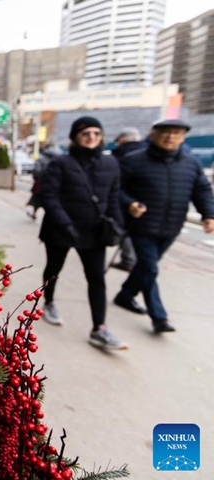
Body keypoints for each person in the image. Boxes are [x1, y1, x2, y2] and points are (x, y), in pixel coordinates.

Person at [113, 119, 214, 333]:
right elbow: (115, 189)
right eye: (165, 132)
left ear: (183, 138)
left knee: (145, 268)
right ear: (153, 134)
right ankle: (159, 317)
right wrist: (129, 203)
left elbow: (202, 190)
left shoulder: (191, 163)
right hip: (141, 225)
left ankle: (125, 295)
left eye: (176, 133)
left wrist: (208, 215)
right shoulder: (133, 160)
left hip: (171, 227)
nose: (170, 137)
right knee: (150, 268)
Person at [38, 116, 127, 350]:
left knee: (97, 278)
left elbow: (114, 198)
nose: (91, 138)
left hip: (94, 231)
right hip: (60, 229)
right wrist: (65, 223)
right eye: (86, 133)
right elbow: (49, 195)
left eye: (96, 134)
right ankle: (48, 301)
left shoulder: (110, 164)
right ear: (75, 137)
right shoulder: (60, 163)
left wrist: (118, 224)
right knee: (54, 269)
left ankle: (100, 328)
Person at [109, 128, 144, 271]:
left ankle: (129, 259)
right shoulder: (148, 152)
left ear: (123, 139)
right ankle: (135, 259)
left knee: (124, 230)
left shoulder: (119, 154)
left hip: (125, 199)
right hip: (144, 200)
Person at [26, 144, 60, 220]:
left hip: (41, 184)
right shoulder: (58, 159)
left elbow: (36, 171)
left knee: (37, 200)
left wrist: (37, 178)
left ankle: (34, 213)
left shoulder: (41, 158)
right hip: (54, 185)